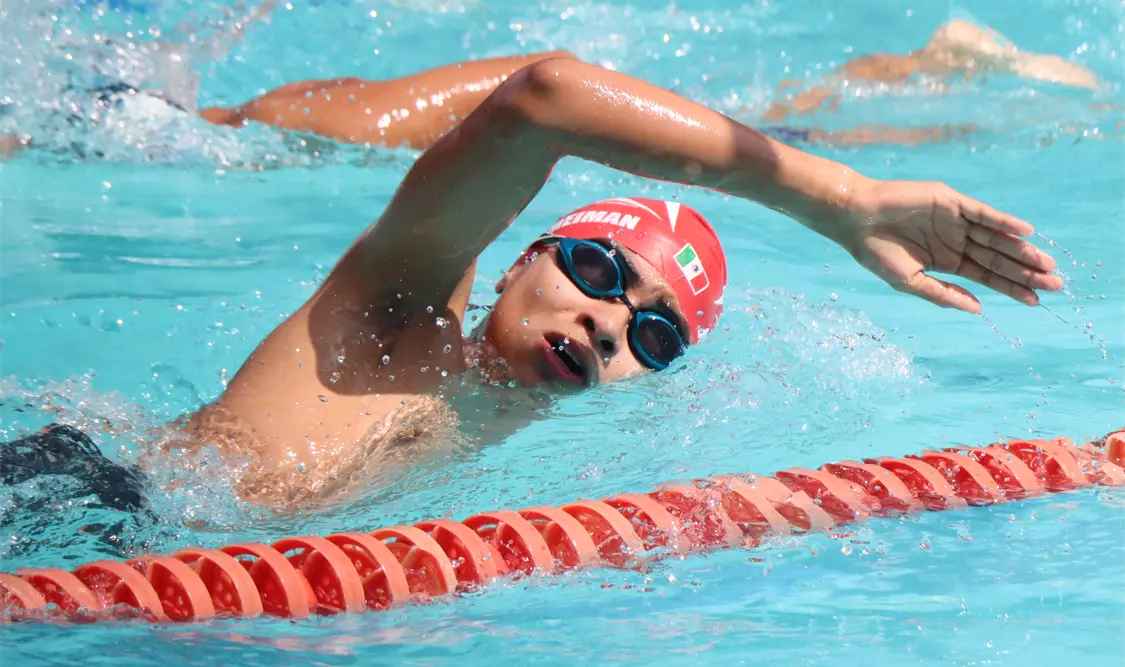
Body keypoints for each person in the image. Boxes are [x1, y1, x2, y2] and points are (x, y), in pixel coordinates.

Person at [2, 31, 1068, 511]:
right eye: (601, 271)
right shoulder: (401, 316)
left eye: (653, 335)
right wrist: (844, 200)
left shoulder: (501, 433)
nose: (611, 323)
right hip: (76, 498)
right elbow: (545, 96)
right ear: (523, 253)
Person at [0, 19, 1100, 158]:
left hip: (433, 111)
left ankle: (918, 77)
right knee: (771, 127)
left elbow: (542, 88)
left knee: (767, 133)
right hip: (390, 116)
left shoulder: (308, 125)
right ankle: (912, 77)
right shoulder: (279, 124)